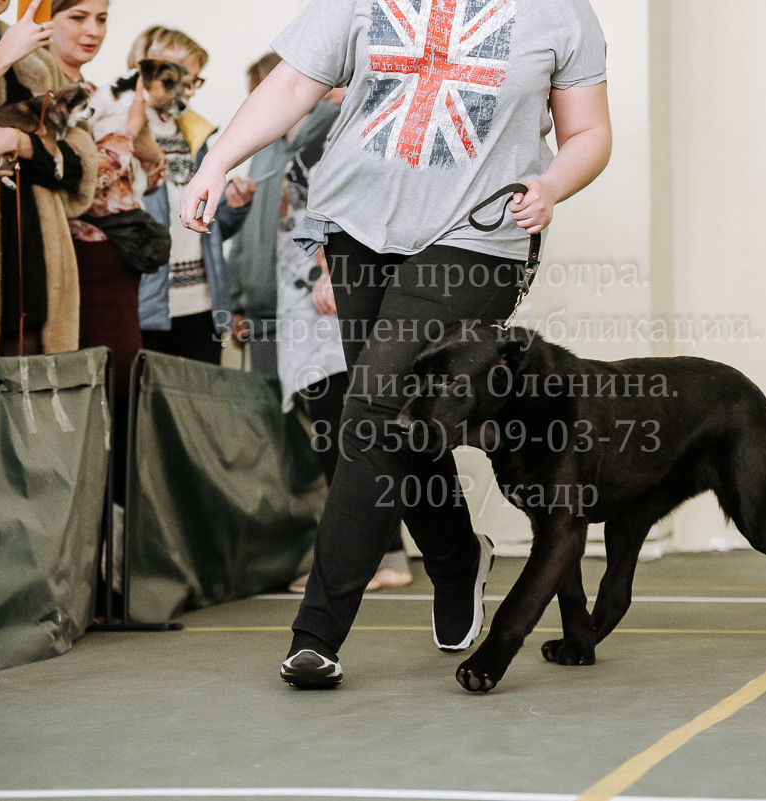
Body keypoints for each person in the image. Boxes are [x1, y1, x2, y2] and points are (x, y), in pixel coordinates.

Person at [182, 0, 611, 689]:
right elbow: (293, 82)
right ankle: (457, 558)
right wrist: (218, 159)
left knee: (373, 406)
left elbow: (589, 131)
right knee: (404, 424)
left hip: (478, 234)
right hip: (356, 225)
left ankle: (317, 633)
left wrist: (552, 183)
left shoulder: (559, 12)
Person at [227, 52, 411, 594]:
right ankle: (378, 552)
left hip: (327, 297)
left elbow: (363, 202)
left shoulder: (338, 127)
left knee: (348, 426)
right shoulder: (292, 140)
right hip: (300, 301)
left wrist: (334, 270)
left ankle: (378, 556)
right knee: (339, 428)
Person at [48, 0, 165, 506]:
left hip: (118, 270)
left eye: (101, 19)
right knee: (81, 409)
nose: (92, 31)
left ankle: (113, 538)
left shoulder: (97, 95)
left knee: (120, 404)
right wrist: (129, 132)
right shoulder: (41, 90)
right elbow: (78, 181)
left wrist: (144, 143)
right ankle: (87, 537)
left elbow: (147, 174)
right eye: (77, 18)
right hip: (73, 267)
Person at [0, 0, 98, 358]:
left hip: (39, 244)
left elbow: (82, 156)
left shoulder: (39, 60)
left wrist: (19, 143)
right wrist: (4, 54)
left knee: (36, 372)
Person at [130, 26, 253, 365]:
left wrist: (234, 208)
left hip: (203, 306)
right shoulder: (123, 132)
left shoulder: (194, 137)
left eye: (195, 81)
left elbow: (208, 227)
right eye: (183, 79)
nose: (190, 91)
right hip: (146, 306)